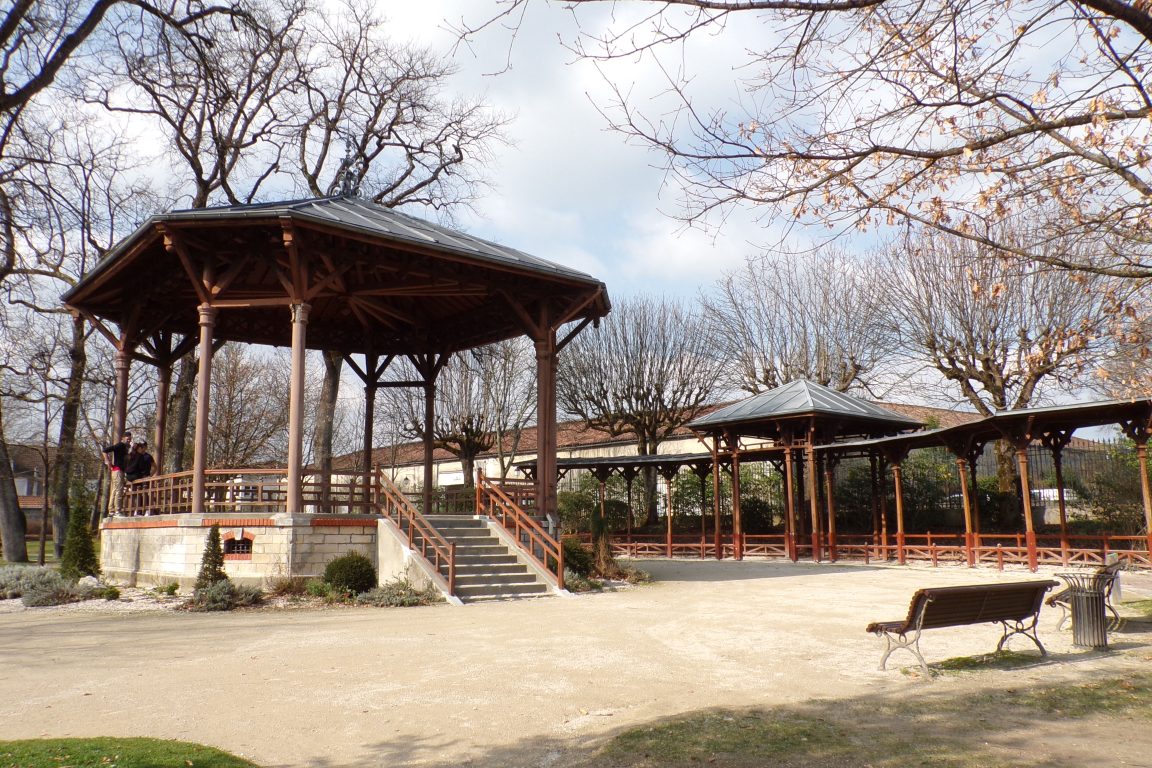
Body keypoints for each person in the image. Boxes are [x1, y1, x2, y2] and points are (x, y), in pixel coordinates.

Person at [101, 430, 132, 517]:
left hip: (118, 470)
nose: (129, 441)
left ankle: (111, 510)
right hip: (117, 470)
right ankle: (117, 510)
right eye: (128, 439)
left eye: (130, 439)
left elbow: (127, 458)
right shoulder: (119, 445)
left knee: (115, 490)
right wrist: (107, 461)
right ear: (123, 438)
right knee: (119, 490)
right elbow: (105, 450)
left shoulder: (125, 448)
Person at [124, 440, 157, 515]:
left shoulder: (148, 456)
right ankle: (138, 510)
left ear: (145, 447)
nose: (141, 448)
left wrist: (150, 475)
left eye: (143, 446)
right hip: (137, 477)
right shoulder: (135, 455)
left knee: (145, 493)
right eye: (140, 446)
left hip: (145, 477)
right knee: (137, 493)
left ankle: (148, 509)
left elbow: (155, 467)